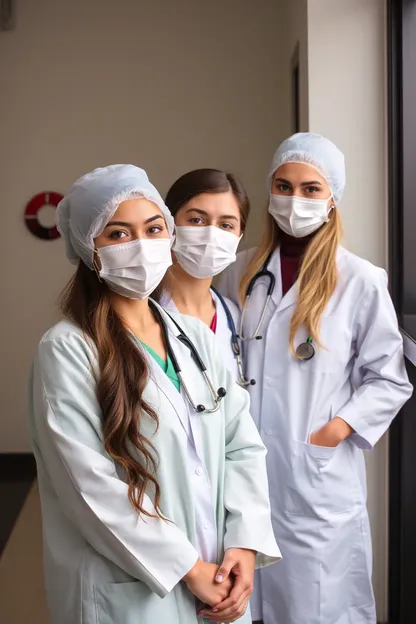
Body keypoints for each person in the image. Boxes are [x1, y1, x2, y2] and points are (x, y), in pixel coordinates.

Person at [28, 164, 281, 624]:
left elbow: (241, 445)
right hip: (134, 593)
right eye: (119, 234)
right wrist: (188, 568)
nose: (141, 245)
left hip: (219, 578)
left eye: (153, 228)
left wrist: (244, 542)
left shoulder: (195, 338)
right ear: (90, 248)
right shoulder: (67, 349)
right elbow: (90, 488)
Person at [219, 133, 413, 624]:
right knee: (242, 604)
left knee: (316, 606)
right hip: (242, 471)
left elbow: (388, 378)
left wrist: (334, 431)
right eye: (283, 186)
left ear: (332, 198)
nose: (294, 199)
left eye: (310, 188)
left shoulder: (360, 280)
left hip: (314, 476)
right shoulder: (238, 273)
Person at [156, 169, 250, 385]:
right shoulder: (142, 313)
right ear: (169, 225)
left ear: (239, 236)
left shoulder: (233, 317)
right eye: (197, 220)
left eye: (226, 225)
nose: (211, 234)